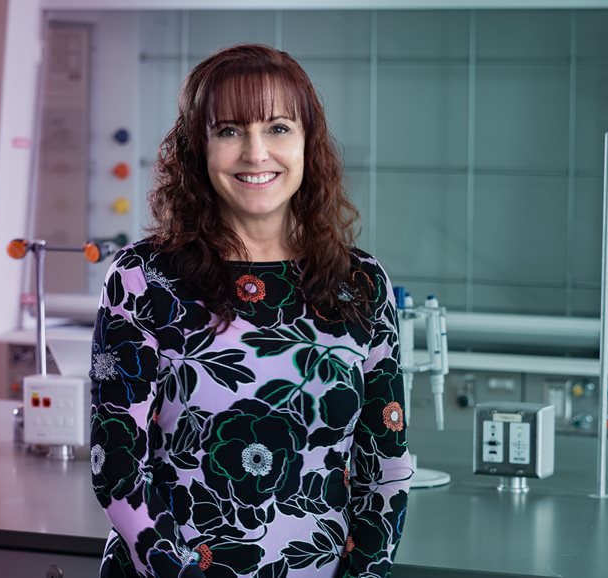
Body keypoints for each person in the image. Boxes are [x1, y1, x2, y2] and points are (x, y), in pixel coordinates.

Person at [89, 43, 413, 578]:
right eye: (230, 130)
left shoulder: (361, 283)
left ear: (309, 144)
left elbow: (388, 468)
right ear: (199, 148)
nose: (255, 153)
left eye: (279, 128)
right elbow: (118, 468)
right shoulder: (142, 279)